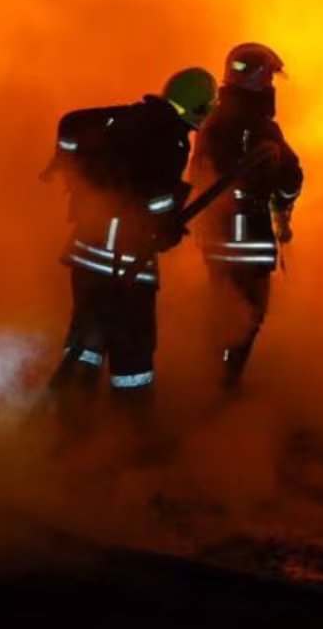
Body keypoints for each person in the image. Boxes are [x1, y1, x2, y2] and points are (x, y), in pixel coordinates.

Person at [41, 67, 217, 417]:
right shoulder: (170, 137)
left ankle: (72, 417)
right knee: (132, 344)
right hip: (121, 257)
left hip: (87, 251)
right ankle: (131, 423)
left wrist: (63, 161)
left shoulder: (131, 116)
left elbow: (71, 123)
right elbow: (152, 196)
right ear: (198, 107)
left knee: (87, 338)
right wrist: (165, 225)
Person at [191, 42, 303, 390]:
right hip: (247, 237)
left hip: (215, 236)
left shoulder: (213, 121)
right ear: (257, 79)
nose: (271, 84)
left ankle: (212, 376)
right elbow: (291, 175)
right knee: (247, 313)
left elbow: (200, 173)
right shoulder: (260, 126)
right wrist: (282, 208)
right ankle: (225, 383)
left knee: (223, 307)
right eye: (268, 76)